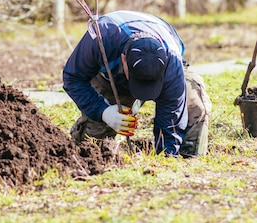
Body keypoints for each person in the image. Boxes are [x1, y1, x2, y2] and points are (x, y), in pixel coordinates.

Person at [62, 10, 212, 157]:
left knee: (194, 101)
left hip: (167, 70)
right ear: (124, 59)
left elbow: (172, 112)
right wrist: (103, 111)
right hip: (112, 79)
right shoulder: (101, 38)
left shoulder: (171, 58)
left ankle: (189, 156)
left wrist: (167, 156)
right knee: (93, 146)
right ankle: (88, 133)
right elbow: (72, 78)